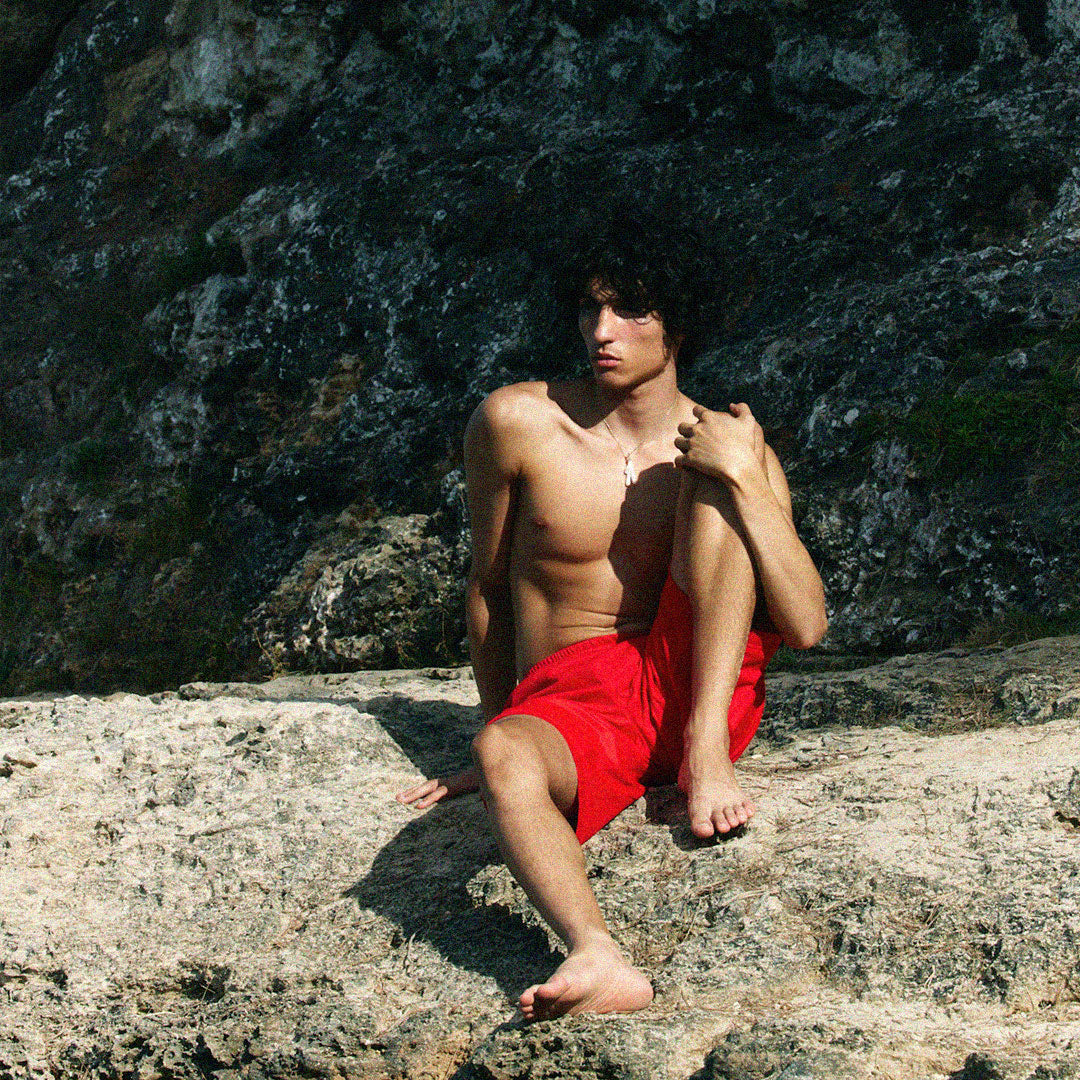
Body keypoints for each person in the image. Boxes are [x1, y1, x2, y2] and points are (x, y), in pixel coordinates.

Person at [396, 220, 827, 1021]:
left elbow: (804, 625)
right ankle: (597, 955)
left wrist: (747, 477)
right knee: (501, 753)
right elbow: (487, 588)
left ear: (679, 325)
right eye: (591, 310)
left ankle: (702, 753)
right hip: (571, 702)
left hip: (692, 692)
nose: (603, 332)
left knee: (710, 475)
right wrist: (501, 731)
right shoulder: (516, 424)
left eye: (630, 311)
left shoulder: (722, 438)